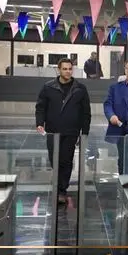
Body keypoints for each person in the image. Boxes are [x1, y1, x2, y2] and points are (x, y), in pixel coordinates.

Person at [35, 58, 91, 204]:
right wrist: (40, 123)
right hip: (52, 130)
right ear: (58, 70)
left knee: (66, 161)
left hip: (71, 131)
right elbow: (40, 107)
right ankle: (58, 184)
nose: (68, 71)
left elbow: (86, 112)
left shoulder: (80, 88)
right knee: (54, 160)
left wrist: (84, 132)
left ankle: (61, 190)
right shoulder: (48, 87)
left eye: (70, 69)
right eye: (65, 69)